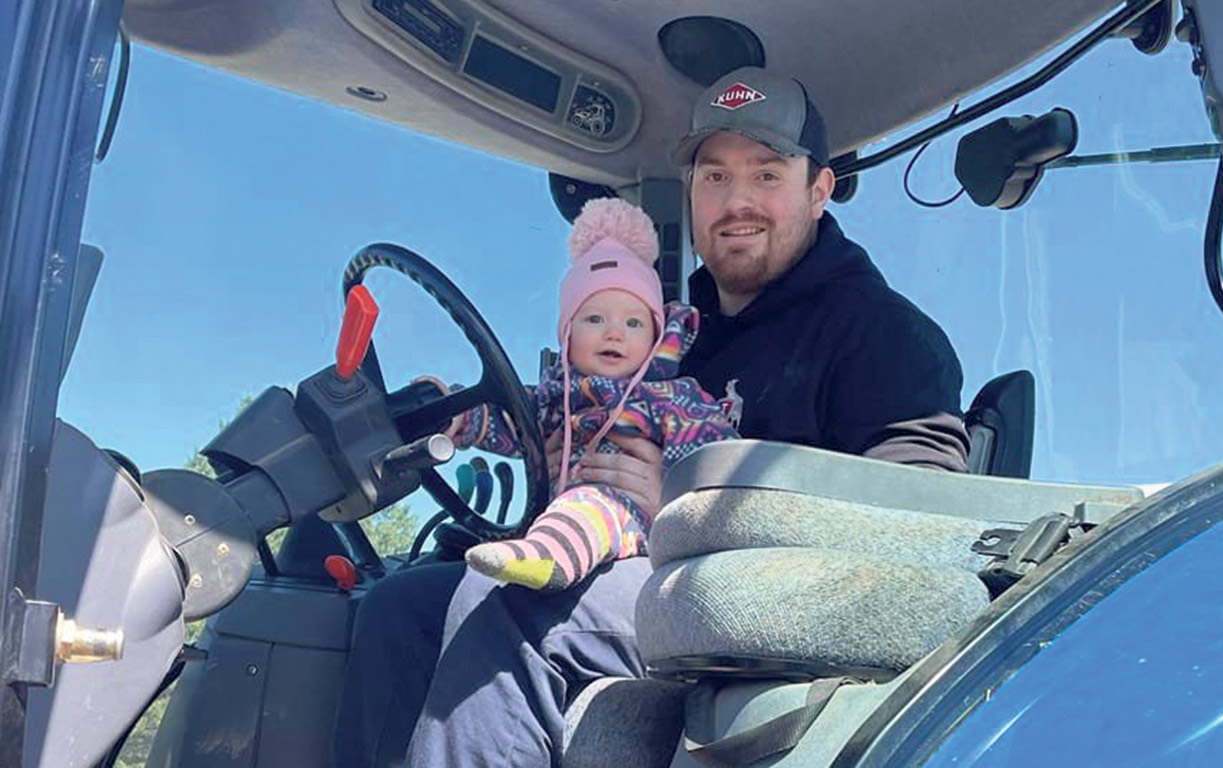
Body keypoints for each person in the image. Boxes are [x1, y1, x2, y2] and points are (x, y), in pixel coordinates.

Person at [335, 66, 968, 768]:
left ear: (818, 190)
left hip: (759, 610)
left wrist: (684, 505)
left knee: (515, 604)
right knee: (400, 606)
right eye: (715, 177)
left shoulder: (879, 332)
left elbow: (916, 523)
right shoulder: (665, 335)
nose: (737, 201)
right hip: (634, 571)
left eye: (766, 175)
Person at [452, 197, 737, 591]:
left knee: (593, 505)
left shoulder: (671, 398)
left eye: (634, 322)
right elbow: (503, 419)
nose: (614, 332)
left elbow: (712, 458)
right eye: (594, 318)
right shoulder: (552, 398)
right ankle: (542, 552)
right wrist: (455, 414)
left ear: (657, 340)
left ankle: (548, 560)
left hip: (632, 520)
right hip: (554, 516)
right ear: (567, 334)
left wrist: (674, 492)